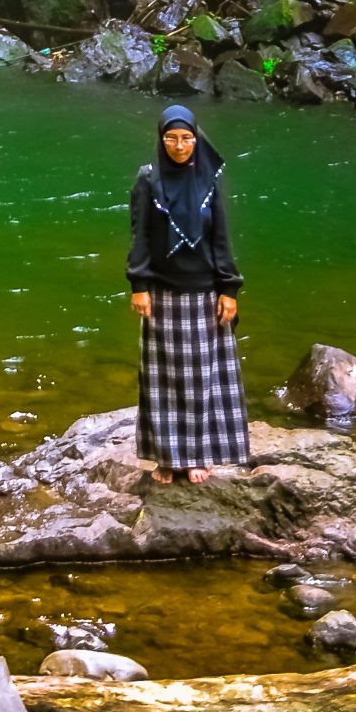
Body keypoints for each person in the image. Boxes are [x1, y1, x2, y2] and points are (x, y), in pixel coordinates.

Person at [127, 101, 250, 482]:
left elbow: (221, 236)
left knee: (201, 379)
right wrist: (139, 284)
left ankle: (197, 455)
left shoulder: (209, 180)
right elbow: (141, 235)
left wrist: (228, 289)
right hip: (162, 293)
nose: (179, 146)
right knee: (162, 380)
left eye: (186, 138)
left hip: (203, 293)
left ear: (196, 139)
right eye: (171, 139)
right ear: (160, 139)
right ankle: (167, 458)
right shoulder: (148, 180)